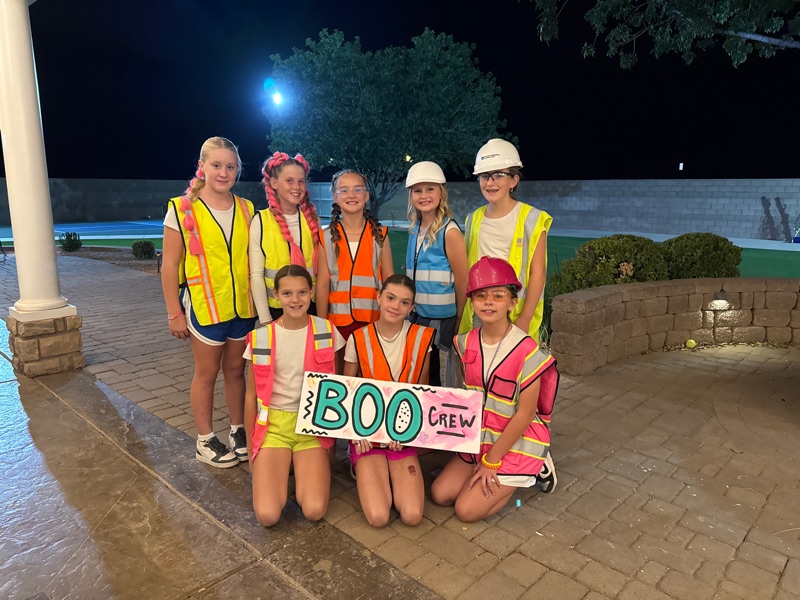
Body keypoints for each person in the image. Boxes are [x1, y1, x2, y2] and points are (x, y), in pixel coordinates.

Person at [432, 257, 559, 522]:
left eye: (498, 295)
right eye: (481, 295)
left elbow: (525, 414)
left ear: (512, 303)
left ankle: (534, 466)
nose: (488, 302)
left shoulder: (527, 351)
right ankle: (485, 475)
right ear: (472, 301)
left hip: (515, 440)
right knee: (440, 494)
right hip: (479, 437)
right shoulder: (463, 343)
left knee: (466, 511)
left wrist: (492, 461)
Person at [161, 136, 256, 468]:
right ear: (201, 166)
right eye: (216, 165)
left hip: (242, 307)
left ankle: (237, 430)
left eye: (230, 166)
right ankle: (205, 439)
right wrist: (174, 312)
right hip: (205, 307)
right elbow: (170, 265)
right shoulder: (181, 208)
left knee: (236, 371)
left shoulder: (247, 209)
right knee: (206, 373)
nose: (223, 172)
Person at [243, 265, 346, 526]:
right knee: (267, 516)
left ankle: (296, 475)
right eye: (287, 293)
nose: (295, 299)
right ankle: (280, 474)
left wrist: (331, 440)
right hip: (273, 428)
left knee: (314, 510)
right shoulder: (260, 337)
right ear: (276, 295)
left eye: (302, 292)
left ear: (311, 292)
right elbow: (251, 396)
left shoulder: (327, 331)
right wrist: (251, 448)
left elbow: (338, 387)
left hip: (311, 427)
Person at [343, 274, 433, 527]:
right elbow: (347, 391)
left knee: (412, 516)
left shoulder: (422, 337)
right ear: (379, 297)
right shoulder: (358, 338)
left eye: (404, 302)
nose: (396, 306)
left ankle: (391, 475)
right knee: (378, 517)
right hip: (367, 436)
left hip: (401, 436)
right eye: (391, 298)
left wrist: (407, 433)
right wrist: (356, 434)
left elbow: (422, 393)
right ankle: (363, 465)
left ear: (412, 307)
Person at [458, 139, 552, 342]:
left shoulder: (532, 219)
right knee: (478, 359)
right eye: (485, 176)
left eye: (499, 175)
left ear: (514, 180)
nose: (490, 182)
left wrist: (525, 318)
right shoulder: (473, 219)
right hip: (478, 310)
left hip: (513, 313)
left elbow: (538, 273)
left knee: (512, 362)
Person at [404, 161, 468, 386]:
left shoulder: (449, 231)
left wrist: (460, 316)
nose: (424, 196)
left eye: (430, 189)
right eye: (417, 191)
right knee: (422, 368)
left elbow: (463, 279)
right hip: (417, 312)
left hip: (440, 316)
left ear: (441, 193)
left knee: (434, 372)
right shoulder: (415, 229)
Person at [317, 169, 394, 343]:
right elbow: (322, 285)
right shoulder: (325, 237)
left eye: (358, 189)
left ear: (366, 195)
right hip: (337, 322)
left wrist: (389, 320)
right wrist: (322, 326)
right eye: (344, 190)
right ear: (335, 197)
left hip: (372, 319)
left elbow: (389, 280)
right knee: (338, 362)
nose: (351, 195)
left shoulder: (380, 235)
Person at [249, 152, 323, 325]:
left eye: (301, 181)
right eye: (289, 180)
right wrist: (265, 319)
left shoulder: (312, 220)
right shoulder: (260, 221)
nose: (296, 187)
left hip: (310, 308)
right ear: (274, 183)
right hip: (276, 311)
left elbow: (322, 273)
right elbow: (256, 274)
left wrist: (321, 314)